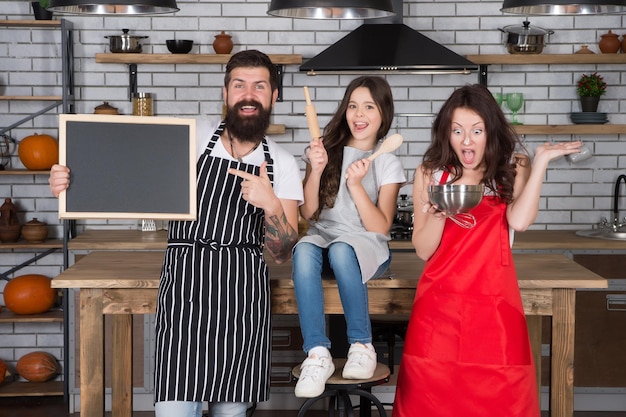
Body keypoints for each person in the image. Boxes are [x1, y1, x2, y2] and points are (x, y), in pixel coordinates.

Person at [49, 50, 304, 417]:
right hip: (185, 285)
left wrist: (272, 206)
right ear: (225, 92)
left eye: (260, 86)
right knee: (174, 409)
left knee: (230, 412)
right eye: (239, 85)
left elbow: (282, 253)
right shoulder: (191, 135)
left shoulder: (282, 162)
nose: (249, 94)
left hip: (243, 297)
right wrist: (69, 181)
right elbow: (118, 168)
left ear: (274, 96)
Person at [392, 84, 582, 417]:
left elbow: (519, 221)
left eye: (476, 131)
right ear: (446, 133)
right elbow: (423, 249)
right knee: (431, 403)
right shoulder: (431, 173)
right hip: (439, 308)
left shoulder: (511, 169)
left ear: (489, 131)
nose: (467, 141)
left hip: (495, 310)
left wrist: (540, 164)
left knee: (502, 402)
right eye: (458, 131)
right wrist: (438, 216)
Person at [292, 76, 406, 398]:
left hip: (366, 247)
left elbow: (380, 228)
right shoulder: (327, 152)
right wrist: (315, 170)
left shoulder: (387, 162)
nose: (359, 114)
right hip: (324, 239)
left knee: (343, 249)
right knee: (303, 250)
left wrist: (356, 186)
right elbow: (308, 213)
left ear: (383, 114)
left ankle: (362, 345)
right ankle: (317, 353)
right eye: (353, 105)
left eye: (369, 106)